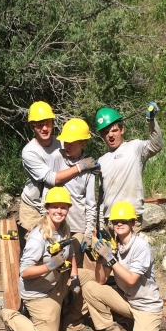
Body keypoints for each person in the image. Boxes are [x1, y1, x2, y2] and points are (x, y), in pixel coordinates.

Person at [2, 187, 87, 331]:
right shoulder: (38, 237)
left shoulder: (64, 229)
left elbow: (71, 254)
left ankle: (71, 323)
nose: (59, 211)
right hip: (38, 293)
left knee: (89, 279)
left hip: (57, 282)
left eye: (63, 207)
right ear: (47, 209)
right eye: (55, 207)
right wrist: (50, 265)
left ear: (68, 209)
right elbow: (24, 272)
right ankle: (10, 316)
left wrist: (75, 278)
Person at [82, 201, 163, 331]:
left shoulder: (141, 247)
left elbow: (131, 279)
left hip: (146, 307)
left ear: (132, 223)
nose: (119, 224)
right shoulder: (113, 246)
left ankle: (141, 326)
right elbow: (100, 281)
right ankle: (110, 328)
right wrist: (100, 258)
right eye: (115, 222)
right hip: (127, 301)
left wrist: (110, 258)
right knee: (90, 287)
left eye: (124, 221)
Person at [19, 101, 98, 236]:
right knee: (34, 245)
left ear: (52, 123)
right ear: (32, 126)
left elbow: (76, 151)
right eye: (39, 125)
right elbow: (52, 179)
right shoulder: (30, 152)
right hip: (33, 207)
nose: (44, 128)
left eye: (47, 123)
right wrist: (81, 166)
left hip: (55, 207)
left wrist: (89, 168)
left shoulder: (62, 143)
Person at [94, 101, 162, 229]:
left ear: (122, 130)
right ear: (102, 136)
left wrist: (151, 120)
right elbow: (101, 197)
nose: (110, 135)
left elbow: (156, 145)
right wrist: (100, 225)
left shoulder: (135, 148)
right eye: (106, 132)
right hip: (110, 221)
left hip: (130, 218)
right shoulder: (101, 161)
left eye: (114, 130)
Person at [54, 117, 97, 265]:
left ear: (83, 143)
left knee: (74, 267)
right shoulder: (57, 158)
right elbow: (48, 187)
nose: (67, 145)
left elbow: (91, 203)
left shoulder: (89, 168)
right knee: (55, 264)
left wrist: (88, 233)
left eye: (72, 143)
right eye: (65, 141)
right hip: (57, 223)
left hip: (77, 227)